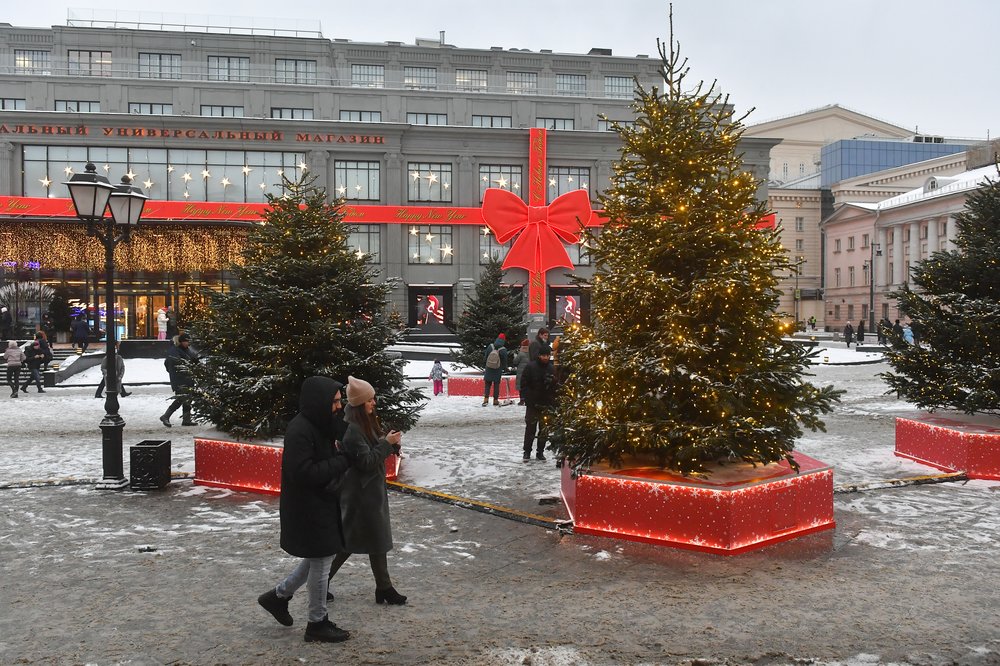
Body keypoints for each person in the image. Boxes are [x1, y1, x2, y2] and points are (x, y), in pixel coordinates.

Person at [257, 376, 352, 643]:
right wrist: (343, 462)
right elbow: (304, 473)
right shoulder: (300, 430)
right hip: (308, 507)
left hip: (320, 502)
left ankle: (277, 597)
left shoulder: (320, 424)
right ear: (319, 402)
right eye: (334, 402)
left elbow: (342, 433)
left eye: (340, 401)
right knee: (322, 562)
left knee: (318, 558)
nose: (338, 407)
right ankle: (317, 622)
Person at [327, 376, 407, 606]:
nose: (374, 403)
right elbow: (366, 461)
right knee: (349, 543)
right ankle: (323, 581)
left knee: (375, 539)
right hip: (360, 496)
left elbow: (370, 451)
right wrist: (386, 444)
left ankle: (384, 588)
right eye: (370, 400)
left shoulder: (362, 424)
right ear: (360, 404)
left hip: (368, 493)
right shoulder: (352, 430)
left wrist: (388, 443)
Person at [520, 344, 557, 462]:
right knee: (530, 428)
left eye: (547, 355)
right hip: (533, 404)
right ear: (539, 355)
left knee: (544, 430)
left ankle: (540, 452)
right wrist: (528, 398)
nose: (546, 358)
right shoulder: (531, 367)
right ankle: (527, 451)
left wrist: (552, 382)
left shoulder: (551, 368)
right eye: (543, 355)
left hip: (546, 404)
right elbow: (524, 384)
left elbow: (556, 388)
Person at [160, 333, 198, 427]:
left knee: (188, 398)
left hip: (188, 378)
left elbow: (193, 358)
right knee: (181, 398)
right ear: (181, 341)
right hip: (179, 379)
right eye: (186, 341)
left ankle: (186, 420)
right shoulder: (174, 350)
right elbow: (171, 363)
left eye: (188, 341)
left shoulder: (186, 350)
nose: (187, 343)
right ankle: (166, 416)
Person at [482, 333, 508, 406]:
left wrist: (486, 365)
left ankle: (486, 399)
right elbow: (504, 361)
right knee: (496, 385)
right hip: (497, 369)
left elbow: (486, 357)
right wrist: (505, 368)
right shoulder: (503, 349)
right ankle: (495, 400)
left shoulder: (490, 346)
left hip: (489, 367)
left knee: (487, 384)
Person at [512, 338, 530, 406]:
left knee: (521, 386)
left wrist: (515, 356)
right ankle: (527, 399)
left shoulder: (521, 353)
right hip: (528, 372)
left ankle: (522, 400)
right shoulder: (531, 353)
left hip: (521, 372)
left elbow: (515, 362)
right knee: (527, 386)